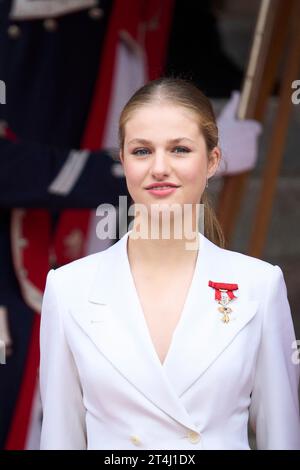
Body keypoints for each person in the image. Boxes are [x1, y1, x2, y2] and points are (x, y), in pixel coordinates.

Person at [39, 77, 300, 450]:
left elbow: (283, 438)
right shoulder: (68, 288)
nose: (159, 168)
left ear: (212, 161)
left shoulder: (259, 284)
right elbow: (60, 438)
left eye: (179, 149)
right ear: (123, 160)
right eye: (142, 151)